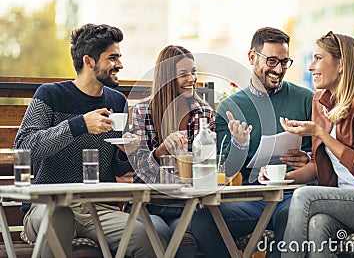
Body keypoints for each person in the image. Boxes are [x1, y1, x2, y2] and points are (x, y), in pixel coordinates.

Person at [14, 23, 171, 258]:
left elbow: (118, 166)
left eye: (119, 57)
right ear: (89, 61)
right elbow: (24, 146)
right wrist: (78, 125)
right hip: (48, 205)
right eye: (113, 57)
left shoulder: (117, 101)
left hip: (99, 209)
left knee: (146, 239)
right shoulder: (50, 95)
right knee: (60, 218)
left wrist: (128, 151)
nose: (120, 64)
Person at [191, 27, 315, 258]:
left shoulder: (306, 99)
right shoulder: (231, 107)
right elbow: (225, 171)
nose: (278, 69)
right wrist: (239, 145)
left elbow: (323, 157)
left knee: (290, 216)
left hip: (294, 194)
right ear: (252, 57)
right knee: (201, 220)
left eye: (284, 61)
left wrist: (307, 158)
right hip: (254, 198)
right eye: (271, 61)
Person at [280, 31, 354, 258]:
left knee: (303, 196)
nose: (310, 67)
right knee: (318, 224)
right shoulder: (321, 101)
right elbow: (320, 164)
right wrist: (280, 178)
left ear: (342, 64)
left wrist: (321, 134)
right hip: (346, 202)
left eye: (318, 58)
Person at [127, 45, 215, 257]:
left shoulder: (204, 113)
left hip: (187, 205)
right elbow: (140, 169)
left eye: (193, 72)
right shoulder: (142, 111)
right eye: (183, 74)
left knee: (185, 239)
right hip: (149, 204)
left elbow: (209, 169)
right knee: (159, 233)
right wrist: (161, 150)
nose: (191, 79)